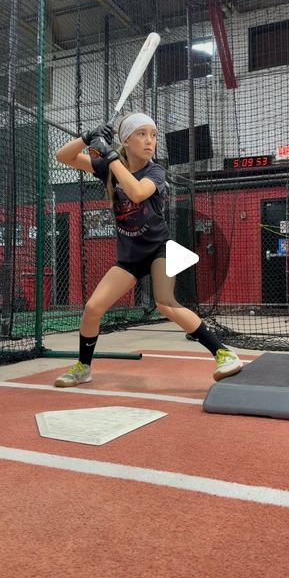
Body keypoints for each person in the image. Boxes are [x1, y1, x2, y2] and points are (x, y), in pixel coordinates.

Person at [53, 113, 244, 387]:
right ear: (126, 141)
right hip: (130, 257)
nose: (149, 141)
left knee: (165, 302)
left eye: (153, 135)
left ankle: (224, 354)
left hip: (159, 249)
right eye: (141, 134)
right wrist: (86, 137)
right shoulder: (108, 167)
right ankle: (83, 367)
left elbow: (137, 193)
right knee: (93, 308)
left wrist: (110, 158)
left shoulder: (155, 171)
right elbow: (62, 156)